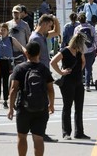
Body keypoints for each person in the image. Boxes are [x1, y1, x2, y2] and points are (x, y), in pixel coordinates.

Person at [7, 41, 55, 156]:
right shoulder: (43, 69)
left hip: (23, 108)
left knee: (22, 136)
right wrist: (51, 104)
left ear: (26, 53)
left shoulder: (19, 68)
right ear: (39, 53)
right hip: (41, 108)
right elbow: (50, 89)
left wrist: (11, 108)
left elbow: (13, 89)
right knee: (38, 138)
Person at [51, 33, 90, 140]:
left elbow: (83, 62)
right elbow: (53, 61)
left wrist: (79, 71)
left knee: (79, 108)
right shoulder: (65, 51)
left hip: (78, 81)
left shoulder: (79, 51)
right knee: (67, 107)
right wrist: (61, 72)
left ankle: (79, 132)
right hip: (67, 82)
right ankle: (66, 132)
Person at [29, 14, 60, 142]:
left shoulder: (42, 35)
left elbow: (57, 32)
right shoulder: (35, 38)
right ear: (43, 24)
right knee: (42, 104)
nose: (50, 28)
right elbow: (31, 57)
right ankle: (39, 132)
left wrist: (55, 20)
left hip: (43, 72)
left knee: (43, 103)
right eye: (49, 26)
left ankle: (40, 132)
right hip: (39, 73)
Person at [0, 23, 26, 109]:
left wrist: (26, 52)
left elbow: (20, 47)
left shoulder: (11, 39)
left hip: (8, 62)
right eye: (1, 29)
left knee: (6, 82)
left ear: (8, 31)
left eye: (4, 30)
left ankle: (5, 101)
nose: (2, 31)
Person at [74, 13, 97, 92]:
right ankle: (88, 85)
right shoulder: (91, 27)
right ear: (86, 19)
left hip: (81, 51)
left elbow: (74, 40)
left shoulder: (77, 29)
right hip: (91, 50)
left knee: (81, 66)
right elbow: (96, 39)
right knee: (88, 68)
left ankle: (80, 82)